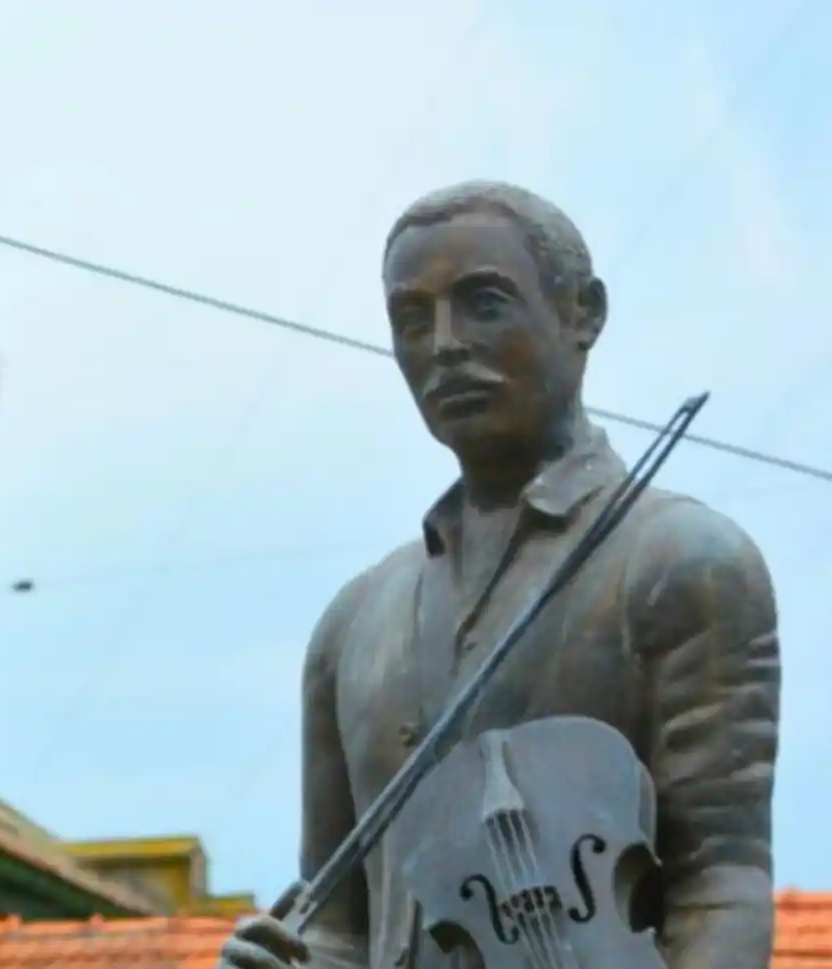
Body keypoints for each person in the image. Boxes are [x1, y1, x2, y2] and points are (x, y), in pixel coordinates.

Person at [216, 181, 780, 969]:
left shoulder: (683, 560)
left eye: (482, 303)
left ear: (581, 314)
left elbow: (719, 882)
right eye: (412, 319)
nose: (443, 344)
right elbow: (337, 921)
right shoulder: (351, 623)